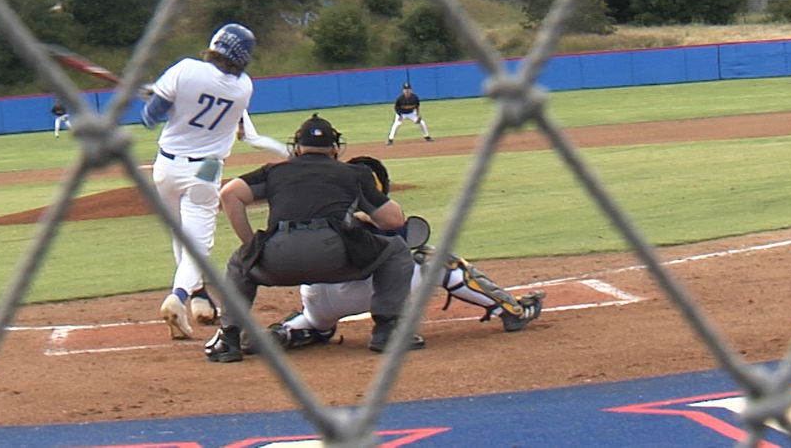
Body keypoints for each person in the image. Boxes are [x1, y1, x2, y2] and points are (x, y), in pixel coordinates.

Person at [258, 156, 545, 351]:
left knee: (317, 315)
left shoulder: (318, 204)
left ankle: (291, 330)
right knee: (437, 259)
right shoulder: (384, 214)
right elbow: (408, 240)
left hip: (317, 295)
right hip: (369, 290)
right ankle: (512, 310)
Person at [204, 114, 422, 363]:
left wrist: (251, 245)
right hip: (336, 257)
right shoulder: (353, 172)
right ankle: (387, 330)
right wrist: (363, 213)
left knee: (239, 264)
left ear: (297, 148)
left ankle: (229, 339)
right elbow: (393, 221)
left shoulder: (274, 171)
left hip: (278, 259)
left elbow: (229, 194)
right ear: (335, 148)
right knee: (395, 250)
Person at [140, 23, 258, 340]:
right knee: (197, 243)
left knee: (182, 236)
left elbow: (150, 118)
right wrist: (169, 94)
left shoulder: (185, 69)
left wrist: (158, 95)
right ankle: (179, 296)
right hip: (205, 169)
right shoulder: (244, 87)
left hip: (165, 166)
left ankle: (199, 297)